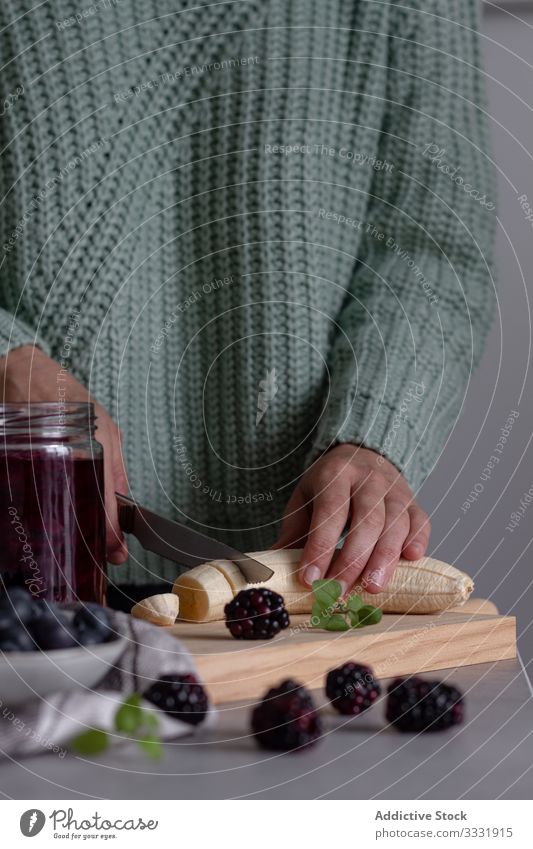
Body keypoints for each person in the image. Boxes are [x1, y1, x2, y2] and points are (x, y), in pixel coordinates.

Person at [0, 1, 495, 604]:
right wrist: (10, 362)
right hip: (30, 570)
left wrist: (373, 435)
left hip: (301, 591)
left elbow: (435, 249)